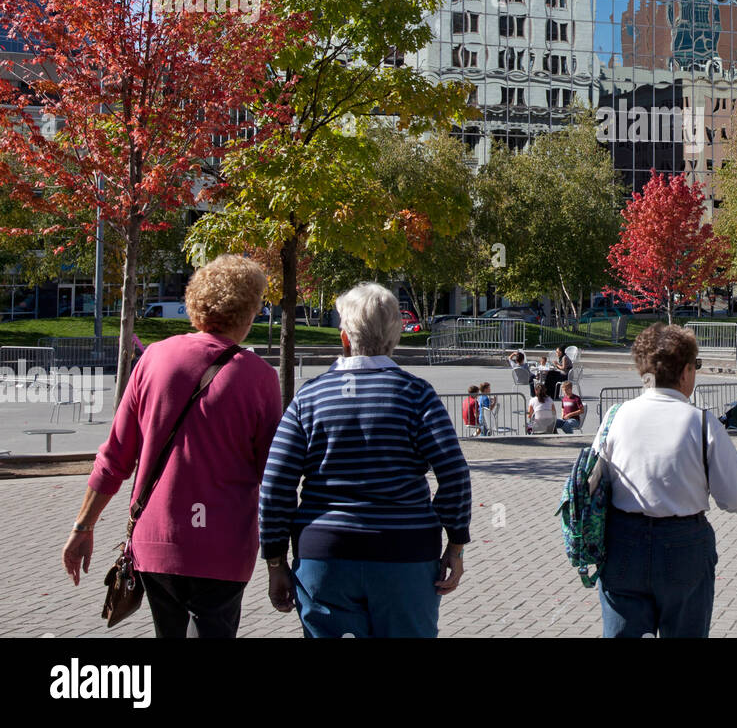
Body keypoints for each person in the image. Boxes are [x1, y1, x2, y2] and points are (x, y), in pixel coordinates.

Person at [62, 255, 281, 638]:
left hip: (157, 541)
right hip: (223, 547)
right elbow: (273, 475)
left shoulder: (153, 360)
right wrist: (280, 558)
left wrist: (83, 526)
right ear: (248, 310)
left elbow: (114, 458)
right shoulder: (259, 377)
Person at [259, 283, 470, 638]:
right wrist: (456, 544)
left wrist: (276, 561)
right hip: (406, 554)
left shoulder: (309, 397)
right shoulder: (417, 395)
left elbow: (276, 483)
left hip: (324, 556)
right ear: (394, 338)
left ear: (344, 338)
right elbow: (454, 473)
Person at [597, 323, 737, 637]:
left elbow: (593, 481)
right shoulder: (703, 424)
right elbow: (734, 499)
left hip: (622, 540)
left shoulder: (615, 417)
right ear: (684, 372)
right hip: (684, 543)